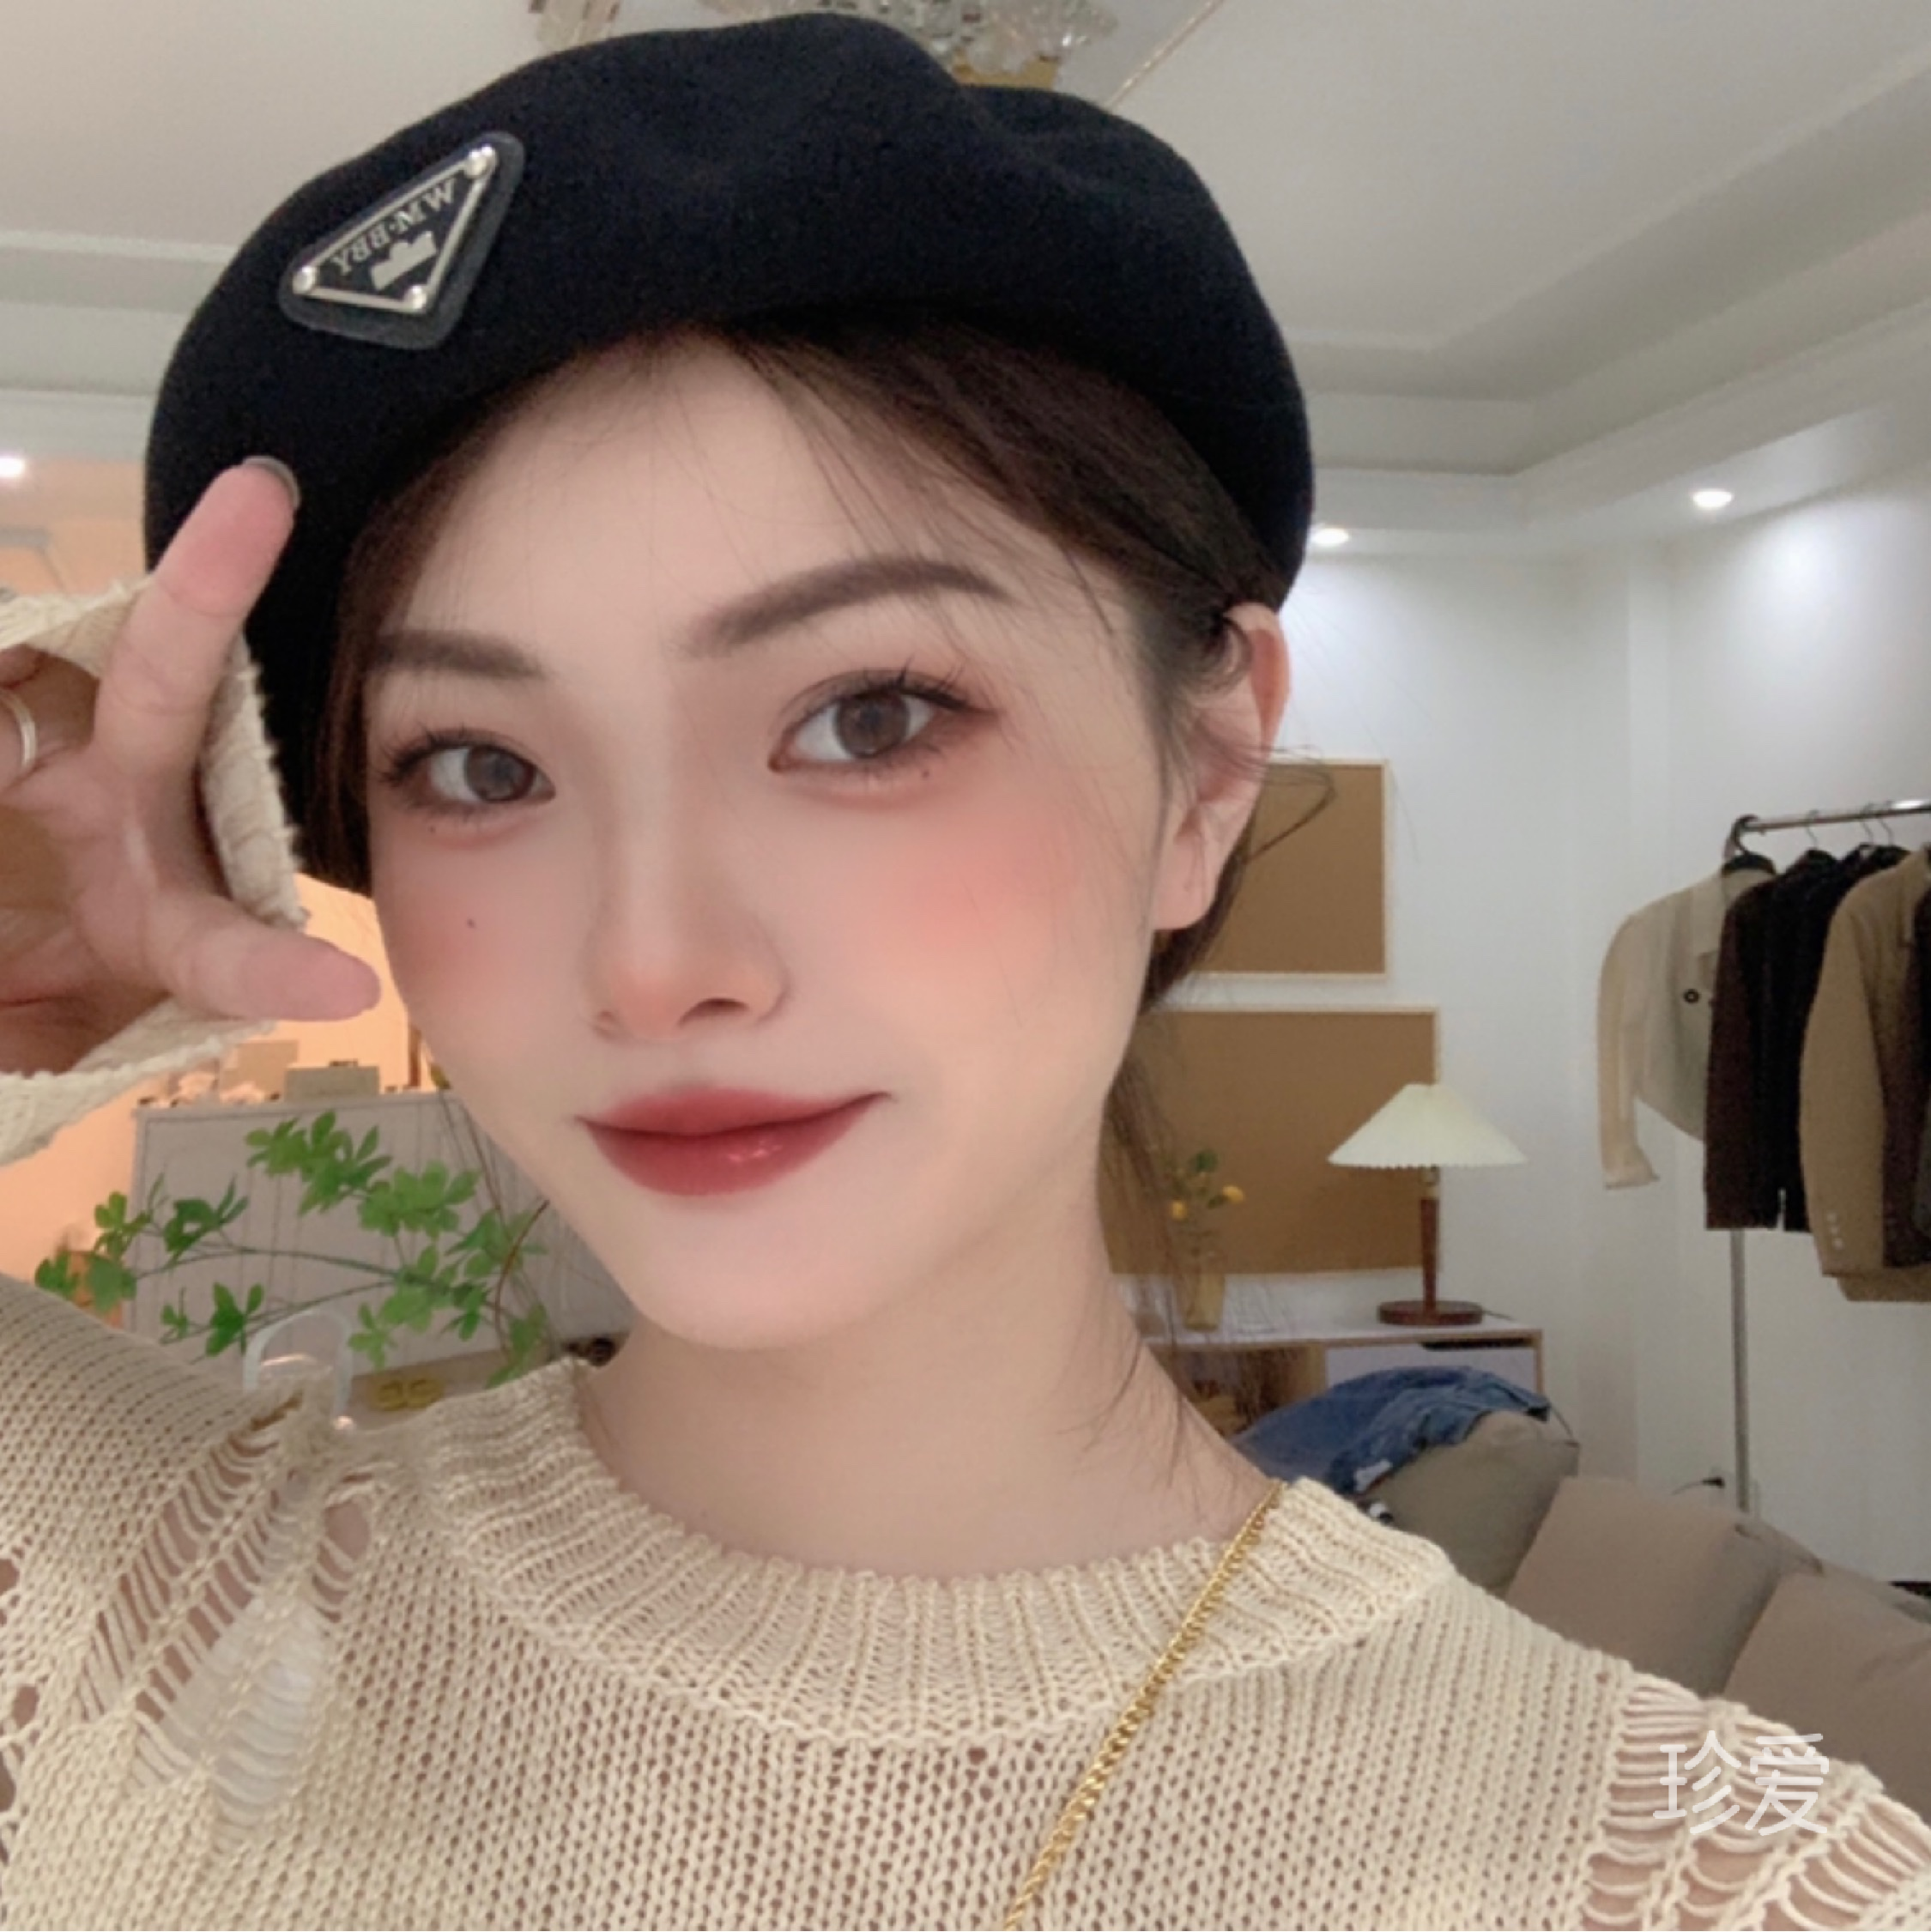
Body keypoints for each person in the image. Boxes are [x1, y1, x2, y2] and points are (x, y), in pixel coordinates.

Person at [1, 16, 1928, 1929]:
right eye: (481, 767)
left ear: (1209, 767)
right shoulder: (98, 1604)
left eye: (868, 718)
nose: (657, 966)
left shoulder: (1715, 1887)